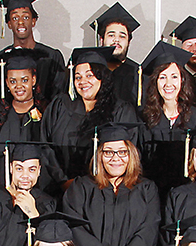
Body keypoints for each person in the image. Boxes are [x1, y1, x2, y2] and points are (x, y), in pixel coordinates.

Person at [41, 46, 138, 185]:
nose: (82, 81)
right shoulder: (60, 106)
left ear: (102, 77)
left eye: (89, 75)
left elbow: (125, 154)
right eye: (77, 77)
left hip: (102, 190)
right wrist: (63, 181)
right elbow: (45, 146)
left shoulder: (121, 111)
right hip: (59, 188)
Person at [139, 41, 196, 195]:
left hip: (188, 193)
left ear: (182, 80)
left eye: (174, 76)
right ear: (155, 82)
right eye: (162, 77)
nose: (168, 83)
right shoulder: (144, 118)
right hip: (151, 192)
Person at [0, 49, 49, 191]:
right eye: (12, 81)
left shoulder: (47, 115)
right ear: (7, 83)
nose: (18, 86)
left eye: (24, 80)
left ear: (33, 80)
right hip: (1, 198)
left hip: (40, 198)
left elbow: (52, 159)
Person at [0, 0, 67, 104]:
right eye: (15, 18)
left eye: (26, 17)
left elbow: (59, 96)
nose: (20, 22)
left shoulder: (51, 57)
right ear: (9, 24)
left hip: (47, 119)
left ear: (33, 21)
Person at [91, 2, 141, 104]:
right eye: (111, 35)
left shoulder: (138, 73)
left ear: (129, 42)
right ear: (101, 40)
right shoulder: (90, 70)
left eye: (122, 36)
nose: (116, 40)